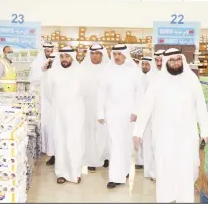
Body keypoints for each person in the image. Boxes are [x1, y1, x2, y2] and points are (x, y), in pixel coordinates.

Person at [133, 48, 208, 202]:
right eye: (172, 60)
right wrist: (138, 132)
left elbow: (200, 105)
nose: (176, 63)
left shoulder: (191, 79)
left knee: (187, 170)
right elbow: (146, 107)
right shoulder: (157, 81)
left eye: (178, 59)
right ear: (166, 62)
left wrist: (205, 131)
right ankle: (166, 199)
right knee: (165, 170)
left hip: (187, 135)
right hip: (164, 135)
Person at [97, 44, 143, 189]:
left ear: (125, 55)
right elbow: (101, 93)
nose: (116, 57)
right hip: (112, 113)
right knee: (115, 143)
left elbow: (140, 93)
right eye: (114, 54)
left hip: (130, 115)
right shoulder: (107, 71)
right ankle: (115, 177)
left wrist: (136, 111)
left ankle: (124, 170)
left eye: (119, 54)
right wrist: (100, 112)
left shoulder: (134, 71)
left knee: (126, 144)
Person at [44, 47, 86, 184]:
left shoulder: (80, 72)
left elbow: (86, 93)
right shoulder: (52, 73)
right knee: (60, 142)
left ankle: (75, 173)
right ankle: (61, 173)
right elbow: (48, 93)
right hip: (59, 114)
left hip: (76, 114)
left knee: (74, 142)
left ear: (72, 57)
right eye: (62, 57)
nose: (64, 60)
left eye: (67, 57)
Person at [81, 44, 110, 173]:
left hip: (105, 108)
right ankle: (91, 160)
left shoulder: (109, 68)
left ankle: (105, 156)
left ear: (102, 55)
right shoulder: (83, 68)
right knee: (89, 133)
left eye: (97, 53)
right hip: (88, 107)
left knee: (105, 133)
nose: (94, 56)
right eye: (92, 53)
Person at [135, 57, 156, 175]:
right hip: (139, 111)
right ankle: (139, 161)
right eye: (143, 64)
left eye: (147, 64)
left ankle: (148, 164)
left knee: (148, 139)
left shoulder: (154, 77)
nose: (144, 66)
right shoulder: (137, 77)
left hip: (150, 113)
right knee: (138, 136)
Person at [40, 51, 57, 166]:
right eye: (50, 60)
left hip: (57, 109)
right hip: (47, 109)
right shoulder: (46, 72)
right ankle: (52, 154)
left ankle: (57, 155)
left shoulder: (59, 74)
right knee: (49, 131)